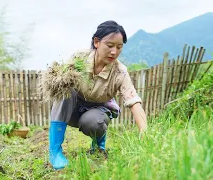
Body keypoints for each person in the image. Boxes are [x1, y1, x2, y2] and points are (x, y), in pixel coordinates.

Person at [48, 20, 147, 170]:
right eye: (110, 45)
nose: (114, 51)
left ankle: (98, 146)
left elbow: (133, 101)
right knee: (65, 89)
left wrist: (144, 131)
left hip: (96, 112)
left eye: (119, 47)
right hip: (72, 110)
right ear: (96, 42)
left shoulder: (120, 72)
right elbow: (61, 80)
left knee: (94, 121)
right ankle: (55, 152)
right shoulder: (79, 58)